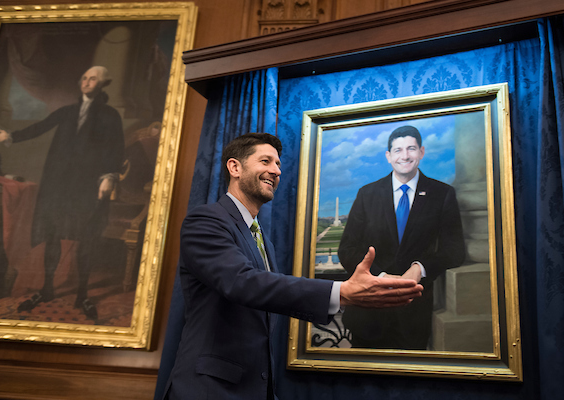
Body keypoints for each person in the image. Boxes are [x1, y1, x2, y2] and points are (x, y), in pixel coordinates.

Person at [163, 133, 424, 400]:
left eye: (278, 164)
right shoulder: (206, 220)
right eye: (266, 161)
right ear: (235, 168)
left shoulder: (263, 239)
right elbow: (242, 282)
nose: (276, 171)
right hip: (209, 391)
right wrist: (340, 293)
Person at [0, 66, 124, 320]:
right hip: (59, 187)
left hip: (88, 187)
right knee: (53, 236)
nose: (86, 81)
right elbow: (41, 127)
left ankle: (82, 294)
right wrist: (10, 136)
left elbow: (116, 148)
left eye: (92, 78)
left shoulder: (110, 115)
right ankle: (47, 288)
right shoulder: (68, 111)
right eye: (84, 77)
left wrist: (109, 177)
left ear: (103, 83)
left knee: (86, 239)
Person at [337, 125, 465, 350]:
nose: (405, 156)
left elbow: (454, 249)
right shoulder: (367, 194)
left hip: (414, 316)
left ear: (422, 152)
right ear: (388, 156)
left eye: (411, 149)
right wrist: (381, 275)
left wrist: (420, 268)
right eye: (397, 150)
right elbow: (347, 249)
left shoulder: (442, 194)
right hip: (368, 311)